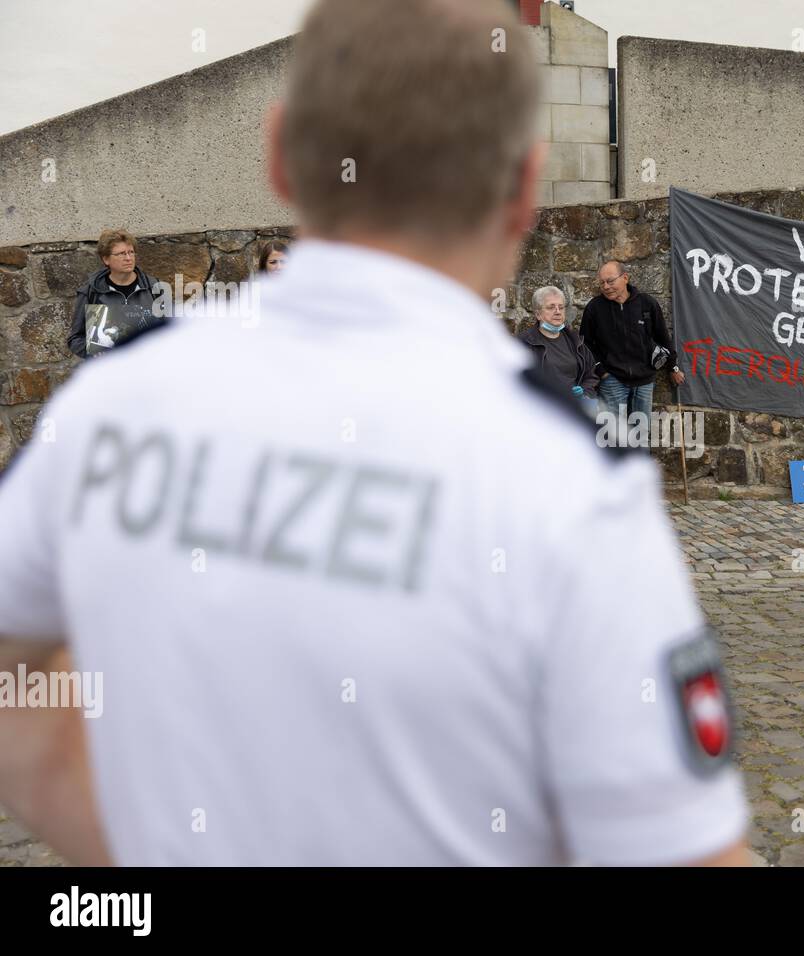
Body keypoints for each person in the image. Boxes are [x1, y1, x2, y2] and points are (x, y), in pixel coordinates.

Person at [0, 0, 749, 867]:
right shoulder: (568, 486)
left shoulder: (110, 407)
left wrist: (125, 842)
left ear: (279, 153)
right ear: (522, 187)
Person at [580, 260, 683, 426]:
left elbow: (663, 337)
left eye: (610, 281)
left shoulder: (647, 304)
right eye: (602, 283)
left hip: (645, 381)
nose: (606, 287)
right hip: (612, 381)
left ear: (625, 278)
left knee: (641, 434)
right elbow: (585, 345)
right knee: (612, 435)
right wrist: (601, 372)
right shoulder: (594, 308)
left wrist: (673, 367)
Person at [66, 229, 166, 358]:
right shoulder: (91, 292)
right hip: (110, 370)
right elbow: (75, 338)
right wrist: (93, 353)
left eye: (131, 252)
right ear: (106, 259)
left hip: (150, 367)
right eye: (121, 254)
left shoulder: (155, 288)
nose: (128, 258)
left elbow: (172, 331)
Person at [519, 286, 599, 412]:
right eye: (551, 307)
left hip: (572, 409)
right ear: (538, 314)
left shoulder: (575, 341)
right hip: (542, 412)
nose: (557, 311)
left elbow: (591, 376)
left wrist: (584, 391)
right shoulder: (524, 343)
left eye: (561, 307)